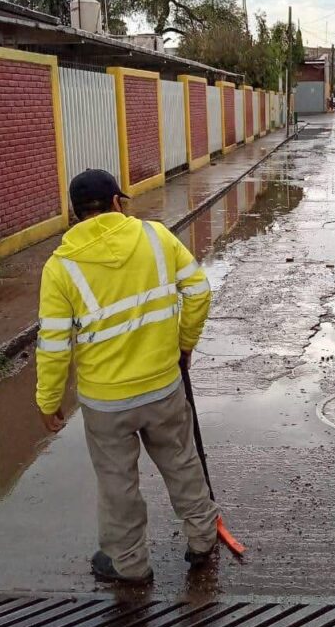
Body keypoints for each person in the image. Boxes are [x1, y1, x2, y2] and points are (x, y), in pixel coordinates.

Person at [35, 169, 217, 586]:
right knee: (181, 461)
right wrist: (184, 345)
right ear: (117, 203)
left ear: (76, 214)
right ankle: (203, 539)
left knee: (117, 482)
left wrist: (48, 400)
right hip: (163, 385)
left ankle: (130, 564)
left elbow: (53, 343)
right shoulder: (156, 237)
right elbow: (198, 291)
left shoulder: (60, 267)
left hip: (105, 402)